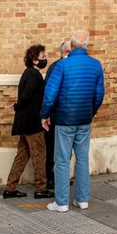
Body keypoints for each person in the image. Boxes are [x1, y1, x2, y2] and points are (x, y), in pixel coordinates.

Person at [41, 29, 106, 212]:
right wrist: (90, 112)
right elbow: (99, 94)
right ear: (86, 45)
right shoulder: (95, 65)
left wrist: (45, 114)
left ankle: (61, 202)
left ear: (72, 44)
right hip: (84, 119)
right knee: (82, 159)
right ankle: (82, 199)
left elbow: (50, 94)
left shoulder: (62, 65)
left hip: (64, 119)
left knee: (61, 160)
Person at [4, 44, 49, 199]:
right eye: (43, 57)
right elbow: (27, 94)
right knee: (39, 154)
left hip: (24, 121)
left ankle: (10, 188)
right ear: (35, 60)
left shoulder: (29, 73)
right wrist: (17, 105)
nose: (45, 59)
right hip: (32, 122)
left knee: (22, 155)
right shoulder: (33, 75)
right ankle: (41, 188)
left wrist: (18, 106)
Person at [43, 38, 70, 195]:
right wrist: (47, 114)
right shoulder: (55, 68)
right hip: (54, 115)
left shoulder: (68, 67)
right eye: (67, 52)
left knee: (63, 149)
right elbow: (50, 92)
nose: (69, 54)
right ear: (61, 53)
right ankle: (50, 177)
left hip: (65, 115)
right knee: (52, 148)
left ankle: (60, 177)